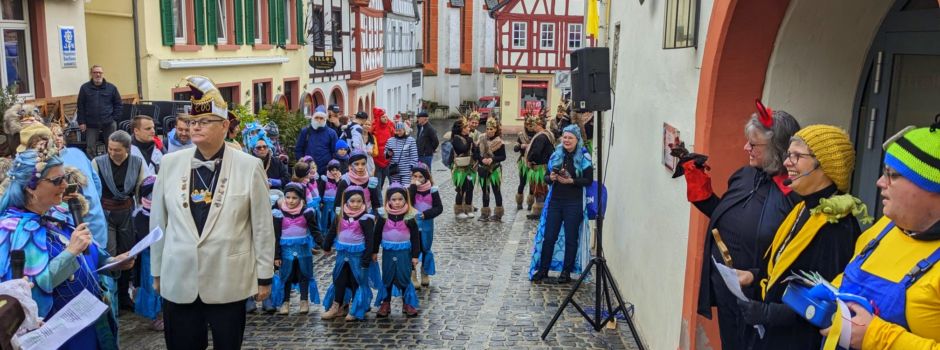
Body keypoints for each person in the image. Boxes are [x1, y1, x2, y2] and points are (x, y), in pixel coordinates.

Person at [149, 75, 275, 349]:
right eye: (193, 121)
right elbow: (158, 222)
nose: (196, 126)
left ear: (225, 125)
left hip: (227, 279)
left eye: (205, 121)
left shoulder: (249, 166)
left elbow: (262, 226)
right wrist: (156, 271)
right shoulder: (170, 163)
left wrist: (264, 275)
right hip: (179, 277)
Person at [673, 102, 801, 349]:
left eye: (754, 145)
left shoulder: (793, 195)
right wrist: (696, 179)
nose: (746, 148)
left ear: (776, 149)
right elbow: (723, 215)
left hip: (761, 301)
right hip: (729, 291)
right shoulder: (745, 175)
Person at [735, 125, 866, 348]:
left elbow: (828, 300)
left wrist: (769, 313)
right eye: (789, 155)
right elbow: (789, 270)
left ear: (824, 165)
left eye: (797, 156)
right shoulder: (803, 208)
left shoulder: (837, 225)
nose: (787, 162)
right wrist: (754, 276)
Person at [820, 121, 940, 349]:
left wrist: (876, 337)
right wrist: (829, 295)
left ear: (931, 187)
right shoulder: (884, 228)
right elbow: (849, 279)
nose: (880, 182)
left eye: (891, 175)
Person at [0, 149, 135, 349]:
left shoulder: (57, 214)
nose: (65, 185)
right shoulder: (10, 230)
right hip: (58, 334)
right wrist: (70, 253)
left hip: (91, 323)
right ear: (30, 187)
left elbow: (88, 254)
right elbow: (24, 293)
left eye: (64, 178)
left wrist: (111, 262)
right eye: (57, 181)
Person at [529, 125, 593, 283]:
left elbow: (588, 180)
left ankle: (566, 272)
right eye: (565, 137)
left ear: (577, 139)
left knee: (571, 238)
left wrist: (572, 181)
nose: (567, 140)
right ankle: (543, 270)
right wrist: (550, 178)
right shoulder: (556, 154)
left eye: (570, 137)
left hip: (574, 202)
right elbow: (546, 177)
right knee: (549, 237)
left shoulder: (584, 156)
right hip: (555, 202)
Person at [93, 130, 148, 310]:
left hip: (126, 212)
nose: (112, 152)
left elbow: (141, 189)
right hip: (106, 213)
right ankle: (111, 297)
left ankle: (124, 296)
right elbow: (94, 191)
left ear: (127, 149)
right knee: (110, 254)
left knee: (127, 254)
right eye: (110, 148)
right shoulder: (98, 162)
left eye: (117, 150)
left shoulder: (137, 163)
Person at [322, 186, 376, 321]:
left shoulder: (366, 218)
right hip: (342, 254)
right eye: (352, 201)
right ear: (346, 201)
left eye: (359, 201)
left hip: (357, 256)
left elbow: (370, 240)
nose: (355, 204)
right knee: (339, 279)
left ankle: (355, 307)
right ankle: (337, 305)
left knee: (355, 280)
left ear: (363, 202)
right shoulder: (340, 215)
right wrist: (326, 245)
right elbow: (332, 231)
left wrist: (366, 258)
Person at [272, 182, 322, 315]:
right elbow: (276, 236)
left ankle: (304, 300)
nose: (290, 201)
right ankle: (285, 301)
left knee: (303, 274)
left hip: (303, 250)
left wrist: (324, 244)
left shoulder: (307, 213)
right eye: (288, 197)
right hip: (286, 251)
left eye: (294, 198)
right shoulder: (278, 214)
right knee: (286, 276)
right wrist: (276, 256)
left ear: (301, 199)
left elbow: (315, 231)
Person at [373, 183, 421, 317]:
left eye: (400, 199)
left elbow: (415, 237)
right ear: (388, 200)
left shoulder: (409, 216)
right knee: (388, 276)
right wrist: (374, 251)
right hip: (388, 251)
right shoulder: (383, 216)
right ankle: (385, 302)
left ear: (405, 200)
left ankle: (407, 302)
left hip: (404, 252)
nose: (397, 202)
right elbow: (376, 234)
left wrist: (415, 255)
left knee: (404, 275)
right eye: (394, 199)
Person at [132, 176, 164, 330]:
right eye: (149, 195)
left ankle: (165, 314)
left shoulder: (165, 211)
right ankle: (156, 316)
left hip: (164, 254)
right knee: (152, 286)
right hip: (148, 257)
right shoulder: (140, 215)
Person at [409, 163, 443, 289]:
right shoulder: (410, 190)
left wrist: (426, 214)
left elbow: (439, 208)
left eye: (420, 177)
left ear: (426, 177)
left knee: (425, 247)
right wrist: (413, 187)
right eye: (415, 176)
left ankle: (425, 272)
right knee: (413, 248)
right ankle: (412, 274)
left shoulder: (432, 190)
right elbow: (408, 203)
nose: (417, 179)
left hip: (427, 224)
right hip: (413, 224)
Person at [77, 65, 122, 158]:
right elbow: (80, 106)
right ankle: (93, 164)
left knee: (112, 146)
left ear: (102, 74)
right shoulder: (84, 88)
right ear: (91, 74)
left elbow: (118, 104)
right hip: (91, 123)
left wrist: (114, 118)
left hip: (109, 123)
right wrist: (81, 122)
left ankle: (111, 162)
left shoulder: (111, 88)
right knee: (90, 147)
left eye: (100, 72)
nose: (98, 74)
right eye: (95, 72)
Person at [474, 118, 506, 222]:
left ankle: (498, 214)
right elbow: (476, 154)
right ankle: (485, 213)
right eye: (487, 129)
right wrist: (482, 160)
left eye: (491, 129)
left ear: (495, 129)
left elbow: (503, 156)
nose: (489, 131)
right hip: (483, 169)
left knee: (496, 191)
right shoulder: (481, 139)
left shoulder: (499, 142)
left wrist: (492, 159)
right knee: (485, 191)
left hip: (494, 169)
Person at [524, 114, 555, 220]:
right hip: (544, 165)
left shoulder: (541, 137)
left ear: (540, 125)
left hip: (540, 167)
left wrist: (531, 159)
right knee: (543, 188)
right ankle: (543, 209)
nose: (533, 127)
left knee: (539, 189)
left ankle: (539, 211)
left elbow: (536, 152)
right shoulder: (548, 134)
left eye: (535, 125)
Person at [295, 106, 338, 177]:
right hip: (308, 170)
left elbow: (335, 152)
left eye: (321, 118)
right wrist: (301, 161)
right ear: (313, 118)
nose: (319, 120)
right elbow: (298, 149)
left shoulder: (332, 133)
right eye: (316, 118)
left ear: (325, 119)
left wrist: (332, 167)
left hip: (326, 170)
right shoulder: (305, 131)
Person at [450, 117, 476, 219]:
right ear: (462, 129)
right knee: (461, 188)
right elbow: (462, 149)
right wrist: (469, 141)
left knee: (470, 188)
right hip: (460, 169)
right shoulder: (456, 138)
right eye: (467, 127)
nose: (469, 128)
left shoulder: (468, 138)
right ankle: (459, 210)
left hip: (469, 168)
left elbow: (474, 150)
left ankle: (468, 209)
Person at [514, 114, 538, 211]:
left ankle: (530, 203)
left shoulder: (537, 135)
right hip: (524, 162)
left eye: (533, 125)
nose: (531, 127)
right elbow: (515, 148)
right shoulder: (521, 135)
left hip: (533, 162)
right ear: (526, 125)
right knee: (522, 182)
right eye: (529, 125)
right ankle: (519, 202)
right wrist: (521, 146)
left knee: (532, 183)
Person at [385, 121, 419, 186]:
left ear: (404, 130)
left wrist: (412, 169)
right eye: (396, 131)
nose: (398, 132)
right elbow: (385, 154)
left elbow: (414, 156)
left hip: (406, 171)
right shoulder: (390, 140)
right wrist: (388, 154)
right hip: (394, 171)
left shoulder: (411, 140)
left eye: (400, 130)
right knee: (395, 188)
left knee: (406, 188)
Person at [372, 107, 394, 190]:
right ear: (379, 118)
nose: (385, 118)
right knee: (378, 183)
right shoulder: (374, 126)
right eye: (383, 117)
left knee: (392, 179)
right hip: (377, 158)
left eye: (386, 117)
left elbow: (394, 138)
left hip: (388, 156)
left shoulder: (390, 125)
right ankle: (378, 196)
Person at [319, 160, 342, 236]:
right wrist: (321, 201)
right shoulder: (324, 179)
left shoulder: (340, 179)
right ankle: (323, 232)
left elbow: (341, 190)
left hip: (336, 203)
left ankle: (334, 233)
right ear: (329, 170)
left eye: (336, 170)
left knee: (334, 218)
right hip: (326, 202)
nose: (334, 172)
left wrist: (337, 181)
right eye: (332, 170)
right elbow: (321, 191)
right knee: (324, 217)